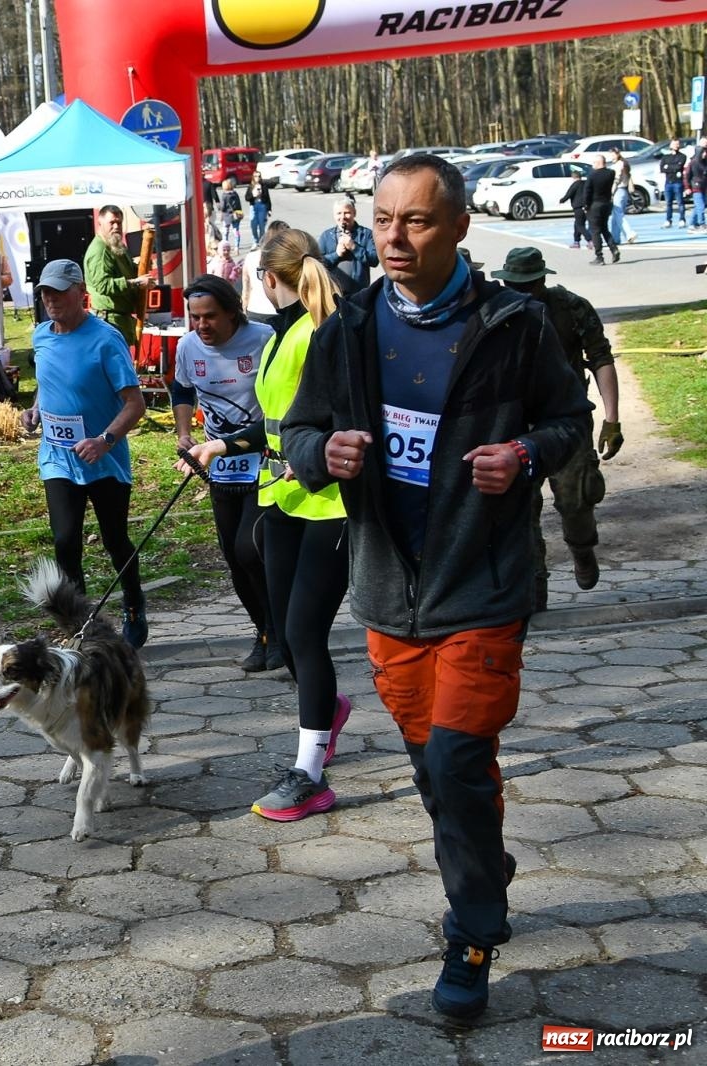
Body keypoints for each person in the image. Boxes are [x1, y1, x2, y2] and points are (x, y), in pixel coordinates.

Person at [281, 155, 592, 1022]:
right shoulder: (347, 328)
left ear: (458, 227)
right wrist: (321, 452)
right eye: (384, 219)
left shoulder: (514, 326)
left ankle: (473, 934)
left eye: (416, 221)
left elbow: (570, 420)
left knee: (456, 761)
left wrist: (523, 455)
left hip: (482, 586)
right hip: (389, 590)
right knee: (437, 770)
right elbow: (299, 430)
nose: (395, 238)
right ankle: (483, 863)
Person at [178, 228, 350, 821]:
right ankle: (326, 709)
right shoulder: (280, 333)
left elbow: (341, 419)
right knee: (285, 635)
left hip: (328, 505)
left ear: (268, 278)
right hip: (279, 497)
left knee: (304, 633)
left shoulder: (325, 331)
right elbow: (278, 421)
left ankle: (310, 775)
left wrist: (316, 459)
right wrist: (220, 445)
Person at [20, 258, 150, 649]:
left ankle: (133, 603)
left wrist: (104, 440)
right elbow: (48, 382)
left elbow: (135, 404)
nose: (51, 299)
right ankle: (80, 627)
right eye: (45, 292)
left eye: (59, 292)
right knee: (65, 542)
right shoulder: (41, 335)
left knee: (115, 540)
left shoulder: (105, 339)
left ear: (81, 293)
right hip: (57, 458)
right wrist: (36, 410)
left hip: (103, 459)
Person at [490, 247, 624, 606]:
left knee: (576, 499)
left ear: (542, 280)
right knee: (521, 508)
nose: (521, 291)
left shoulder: (571, 308)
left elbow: (600, 357)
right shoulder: (495, 310)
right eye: (514, 285)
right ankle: (535, 587)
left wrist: (611, 419)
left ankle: (582, 548)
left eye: (528, 285)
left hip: (565, 419)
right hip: (515, 424)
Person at [171, 273, 278, 672]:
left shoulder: (263, 339)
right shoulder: (188, 346)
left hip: (262, 460)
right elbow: (182, 389)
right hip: (218, 464)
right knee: (234, 556)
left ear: (233, 312)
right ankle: (263, 632)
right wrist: (184, 433)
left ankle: (280, 631)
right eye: (195, 317)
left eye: (210, 316)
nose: (202, 325)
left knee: (251, 549)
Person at [84, 204, 152, 348]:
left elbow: (130, 271)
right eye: (112, 223)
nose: (116, 227)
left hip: (120, 320)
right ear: (100, 223)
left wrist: (144, 266)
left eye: (119, 223)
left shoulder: (116, 244)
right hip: (108, 322)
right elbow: (103, 285)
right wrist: (137, 283)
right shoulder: (100, 250)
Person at [317, 198, 379, 291]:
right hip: (334, 292)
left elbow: (374, 261)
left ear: (354, 213)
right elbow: (317, 264)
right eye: (339, 213)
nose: (342, 217)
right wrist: (336, 254)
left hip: (359, 292)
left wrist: (354, 247)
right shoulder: (326, 236)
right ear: (334, 215)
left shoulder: (366, 234)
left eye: (347, 213)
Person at [586, 155, 621, 265]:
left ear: (598, 163)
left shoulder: (592, 175)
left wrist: (585, 205)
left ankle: (599, 256)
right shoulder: (610, 173)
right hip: (606, 203)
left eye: (594, 163)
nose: (593, 165)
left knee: (595, 231)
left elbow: (587, 191)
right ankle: (614, 249)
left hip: (595, 204)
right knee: (604, 228)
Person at [658, 138, 688, 229]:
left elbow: (679, 167)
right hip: (668, 183)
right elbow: (662, 168)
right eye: (674, 144)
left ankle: (682, 219)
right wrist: (671, 168)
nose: (676, 146)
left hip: (678, 182)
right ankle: (668, 220)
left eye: (677, 144)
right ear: (670, 145)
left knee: (680, 202)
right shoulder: (665, 157)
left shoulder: (682, 156)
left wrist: (669, 167)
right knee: (668, 203)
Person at [609, 150, 636, 245]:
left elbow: (616, 180)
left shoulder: (618, 165)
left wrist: (611, 192)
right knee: (615, 216)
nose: (611, 157)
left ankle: (629, 233)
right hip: (624, 191)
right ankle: (615, 238)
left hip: (618, 190)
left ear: (617, 155)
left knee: (618, 214)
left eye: (612, 155)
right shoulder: (625, 164)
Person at [559, 170, 590, 250]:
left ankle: (590, 240)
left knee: (580, 225)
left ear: (573, 177)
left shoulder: (575, 185)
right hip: (587, 207)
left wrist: (562, 200)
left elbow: (569, 194)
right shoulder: (585, 183)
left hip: (578, 207)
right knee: (577, 224)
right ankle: (576, 241)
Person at [245, 173, 272, 246]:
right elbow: (247, 198)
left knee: (261, 225)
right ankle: (255, 241)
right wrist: (254, 195)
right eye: (256, 176)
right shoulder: (251, 186)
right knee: (253, 225)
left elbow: (268, 199)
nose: (258, 177)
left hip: (262, 206)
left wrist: (269, 209)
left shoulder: (264, 186)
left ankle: (261, 241)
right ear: (253, 177)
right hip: (253, 207)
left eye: (259, 176)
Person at [219, 177, 245, 248]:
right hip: (236, 215)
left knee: (225, 231)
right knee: (236, 231)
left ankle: (225, 246)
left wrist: (219, 207)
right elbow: (239, 204)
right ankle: (237, 246)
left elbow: (223, 207)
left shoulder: (224, 195)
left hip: (227, 215)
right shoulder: (235, 194)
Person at [690, 138, 707, 233]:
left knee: (698, 206)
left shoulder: (704, 161)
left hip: (704, 186)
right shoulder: (695, 161)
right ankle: (702, 224)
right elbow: (687, 174)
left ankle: (692, 224)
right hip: (697, 186)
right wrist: (687, 187)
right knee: (700, 206)